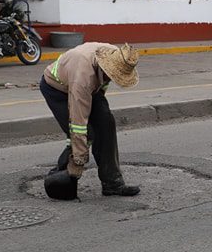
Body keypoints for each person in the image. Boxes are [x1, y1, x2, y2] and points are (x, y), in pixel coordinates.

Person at [39, 43, 141, 196]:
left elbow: (101, 87)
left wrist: (98, 115)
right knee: (86, 133)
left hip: (90, 88)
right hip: (57, 89)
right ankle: (62, 174)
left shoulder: (116, 56)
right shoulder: (83, 78)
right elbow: (78, 123)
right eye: (111, 76)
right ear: (104, 68)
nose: (112, 79)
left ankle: (112, 183)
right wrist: (79, 161)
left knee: (106, 124)